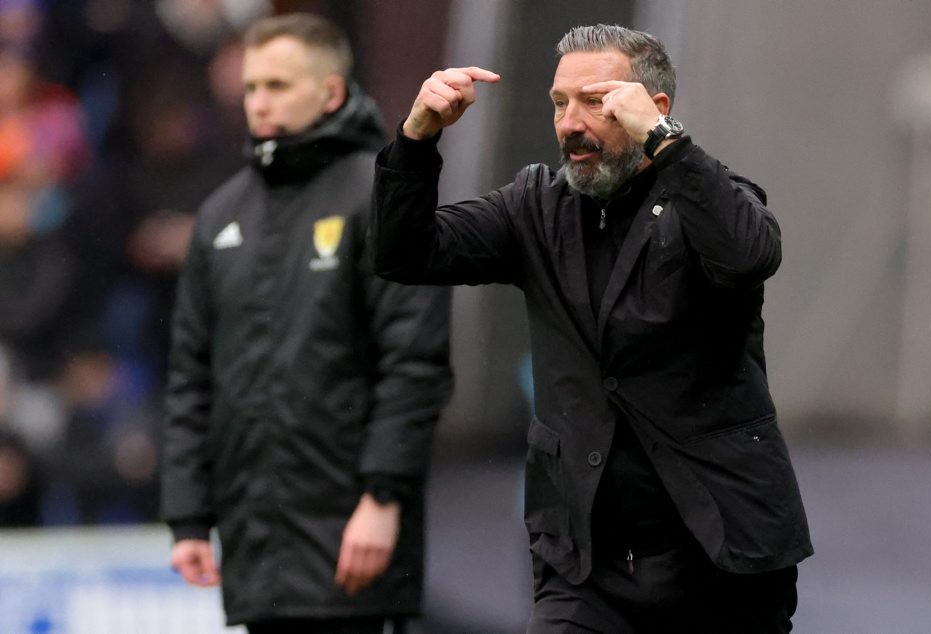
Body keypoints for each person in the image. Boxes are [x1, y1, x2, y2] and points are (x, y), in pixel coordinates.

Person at [371, 24, 812, 633]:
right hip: (583, 569)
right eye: (560, 103)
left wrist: (667, 142)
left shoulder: (708, 197)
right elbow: (404, 254)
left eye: (595, 102)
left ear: (653, 108)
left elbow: (749, 255)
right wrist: (416, 138)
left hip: (720, 560)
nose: (570, 123)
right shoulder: (534, 206)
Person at [160, 13, 453, 634]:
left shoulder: (380, 195)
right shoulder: (220, 215)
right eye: (251, 87)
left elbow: (415, 362)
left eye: (278, 85)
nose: (259, 102)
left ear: (331, 92)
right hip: (253, 545)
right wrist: (188, 517)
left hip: (355, 536)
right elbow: (190, 375)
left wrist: (383, 497)